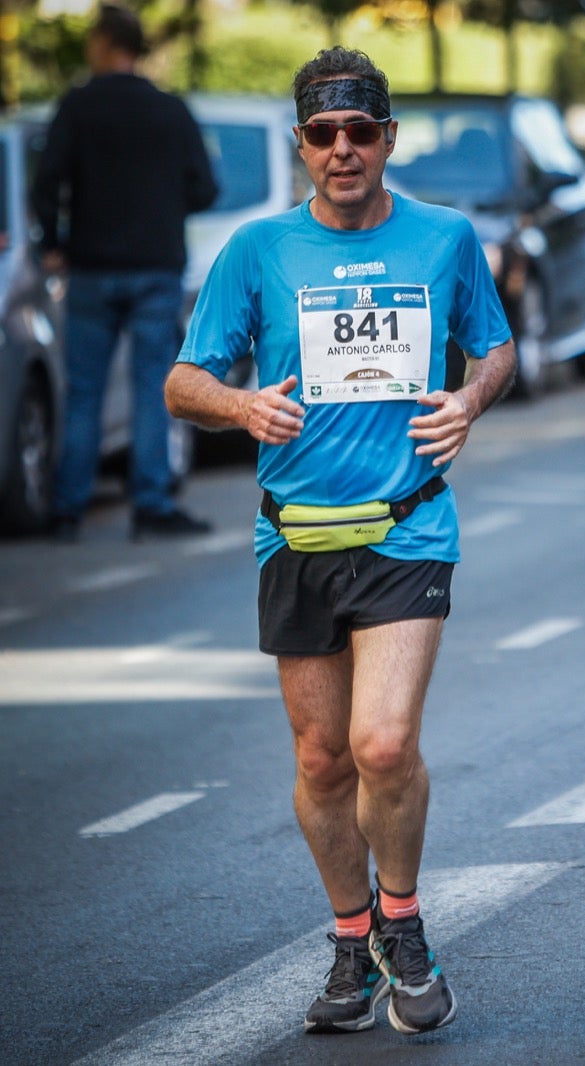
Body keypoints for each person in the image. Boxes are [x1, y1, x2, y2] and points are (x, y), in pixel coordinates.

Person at [165, 47, 516, 1035]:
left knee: (382, 741)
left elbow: (494, 344)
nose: (343, 149)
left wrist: (468, 401)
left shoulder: (444, 238)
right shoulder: (257, 251)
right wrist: (240, 406)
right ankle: (349, 940)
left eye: (361, 131)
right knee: (323, 759)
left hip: (407, 523)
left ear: (388, 138)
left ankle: (402, 927)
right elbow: (181, 383)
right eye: (324, 133)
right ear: (301, 146)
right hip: (295, 537)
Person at [31, 3, 217, 542]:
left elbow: (47, 181)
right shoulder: (170, 111)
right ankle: (152, 504)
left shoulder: (78, 106)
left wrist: (53, 241)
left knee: (84, 390)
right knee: (152, 386)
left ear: (104, 43)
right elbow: (205, 188)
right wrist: (163, 206)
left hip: (90, 268)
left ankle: (66, 509)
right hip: (155, 268)